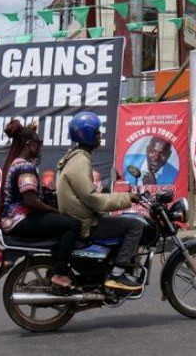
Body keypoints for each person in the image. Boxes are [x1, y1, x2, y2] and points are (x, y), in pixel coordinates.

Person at [57, 112, 145, 292]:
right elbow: (93, 200)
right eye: (97, 133)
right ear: (87, 135)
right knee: (135, 225)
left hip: (83, 218)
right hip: (86, 224)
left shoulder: (76, 157)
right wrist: (127, 198)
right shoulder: (80, 161)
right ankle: (117, 274)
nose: (100, 136)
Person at [0, 119, 80, 292]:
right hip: (20, 220)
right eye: (38, 144)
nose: (40, 149)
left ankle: (55, 267)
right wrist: (57, 211)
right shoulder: (25, 168)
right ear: (30, 145)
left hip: (14, 220)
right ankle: (60, 273)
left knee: (59, 223)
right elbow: (31, 202)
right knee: (72, 225)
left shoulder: (17, 163)